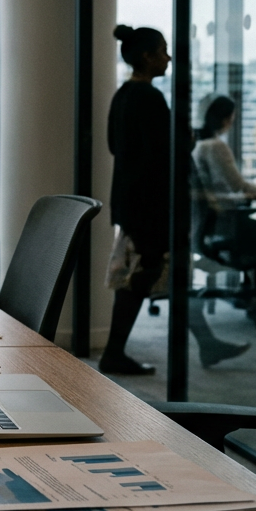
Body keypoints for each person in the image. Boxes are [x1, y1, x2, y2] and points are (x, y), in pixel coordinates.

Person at [101, 25, 171, 375]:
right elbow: (164, 154)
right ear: (146, 56)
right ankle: (114, 351)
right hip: (150, 202)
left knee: (136, 273)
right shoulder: (151, 98)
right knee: (144, 272)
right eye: (163, 51)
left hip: (128, 199)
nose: (168, 58)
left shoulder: (122, 95)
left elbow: (115, 146)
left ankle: (115, 350)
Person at [193, 94, 256, 329]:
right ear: (226, 118)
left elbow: (224, 187)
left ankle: (253, 298)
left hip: (209, 225)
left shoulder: (199, 145)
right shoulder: (216, 146)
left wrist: (254, 189)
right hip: (227, 224)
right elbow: (238, 186)